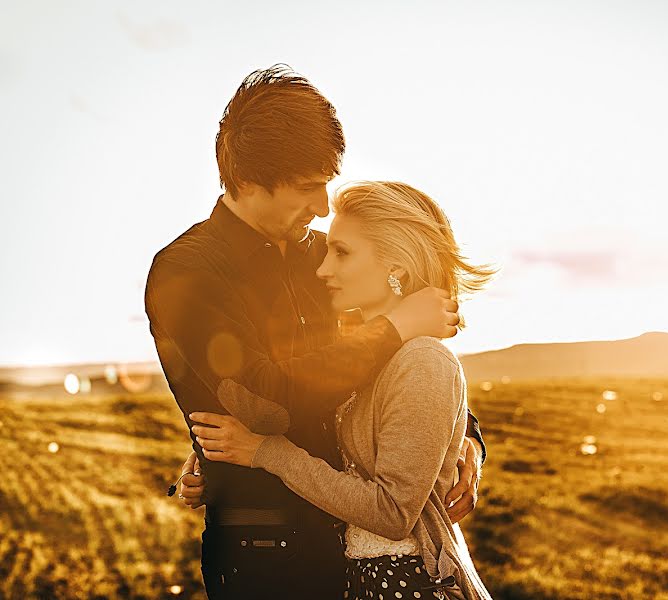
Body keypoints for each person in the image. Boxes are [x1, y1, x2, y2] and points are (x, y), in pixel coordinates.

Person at [144, 66, 487, 599]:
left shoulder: (324, 256)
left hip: (358, 544)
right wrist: (393, 328)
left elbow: (403, 370)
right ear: (249, 183)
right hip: (268, 554)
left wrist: (462, 436)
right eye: (307, 188)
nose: (323, 206)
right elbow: (265, 403)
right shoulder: (187, 273)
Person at [190, 181, 495, 600]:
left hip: (410, 585)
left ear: (397, 269)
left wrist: (267, 452)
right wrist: (217, 465)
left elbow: (392, 513)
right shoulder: (367, 357)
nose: (322, 269)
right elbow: (311, 406)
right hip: (366, 580)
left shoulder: (423, 360)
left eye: (342, 253)